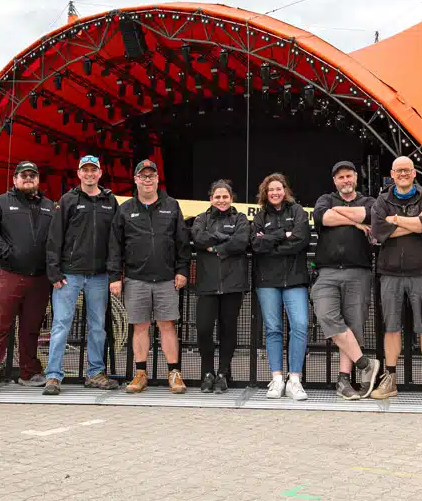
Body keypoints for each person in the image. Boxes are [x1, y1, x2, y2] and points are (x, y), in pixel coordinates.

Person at [0, 161, 57, 395]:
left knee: (31, 329)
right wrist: (6, 253)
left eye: (32, 175)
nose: (28, 179)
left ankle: (28, 372)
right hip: (8, 274)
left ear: (38, 179)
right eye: (23, 175)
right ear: (15, 179)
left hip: (39, 278)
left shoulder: (50, 206)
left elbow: (57, 239)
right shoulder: (0, 203)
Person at [369, 156, 422, 403]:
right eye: (399, 170)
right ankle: (390, 379)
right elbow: (379, 231)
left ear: (414, 173)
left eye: (407, 170)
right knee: (391, 328)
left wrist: (395, 221)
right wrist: (416, 222)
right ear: (392, 174)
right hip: (390, 273)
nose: (403, 174)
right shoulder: (382, 200)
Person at [43, 155, 122, 395]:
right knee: (60, 325)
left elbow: (116, 241)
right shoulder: (68, 200)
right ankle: (53, 376)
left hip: (99, 275)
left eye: (93, 170)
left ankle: (95, 373)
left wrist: (114, 273)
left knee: (98, 327)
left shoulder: (111, 202)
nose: (89, 174)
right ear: (78, 173)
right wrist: (54, 271)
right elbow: (55, 237)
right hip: (69, 274)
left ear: (100, 173)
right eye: (85, 170)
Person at [110, 159, 190, 394]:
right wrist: (116, 276)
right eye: (143, 176)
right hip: (136, 279)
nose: (147, 180)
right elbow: (115, 246)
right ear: (135, 179)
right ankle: (140, 373)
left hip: (166, 278)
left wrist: (182, 270)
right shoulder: (125, 209)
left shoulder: (172, 206)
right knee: (140, 327)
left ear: (157, 179)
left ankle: (174, 373)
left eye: (151, 176)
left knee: (167, 325)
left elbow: (182, 243)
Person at [311, 160, 383, 400]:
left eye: (349, 176)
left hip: (358, 271)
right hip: (327, 272)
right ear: (335, 181)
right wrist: (355, 222)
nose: (345, 180)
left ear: (355, 178)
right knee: (326, 315)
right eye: (340, 177)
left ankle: (344, 380)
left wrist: (351, 215)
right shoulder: (325, 199)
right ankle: (365, 364)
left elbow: (369, 215)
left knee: (354, 326)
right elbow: (323, 218)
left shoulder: (370, 201)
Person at [251, 173, 312, 401]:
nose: (275, 193)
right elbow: (256, 244)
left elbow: (301, 239)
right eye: (271, 190)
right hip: (267, 281)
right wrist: (282, 236)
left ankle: (294, 379)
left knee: (300, 325)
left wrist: (271, 243)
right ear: (265, 193)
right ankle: (277, 378)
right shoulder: (260, 215)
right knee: (273, 329)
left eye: (279, 189)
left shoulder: (297, 211)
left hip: (295, 279)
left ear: (285, 191)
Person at [190, 179, 251, 394]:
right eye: (217, 196)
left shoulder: (241, 219)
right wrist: (223, 238)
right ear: (211, 199)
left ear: (231, 198)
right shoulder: (201, 218)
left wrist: (215, 248)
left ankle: (223, 373)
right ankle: (207, 372)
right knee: (204, 329)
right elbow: (198, 237)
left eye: (225, 196)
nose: (221, 200)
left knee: (228, 330)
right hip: (207, 285)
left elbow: (242, 241)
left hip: (233, 284)